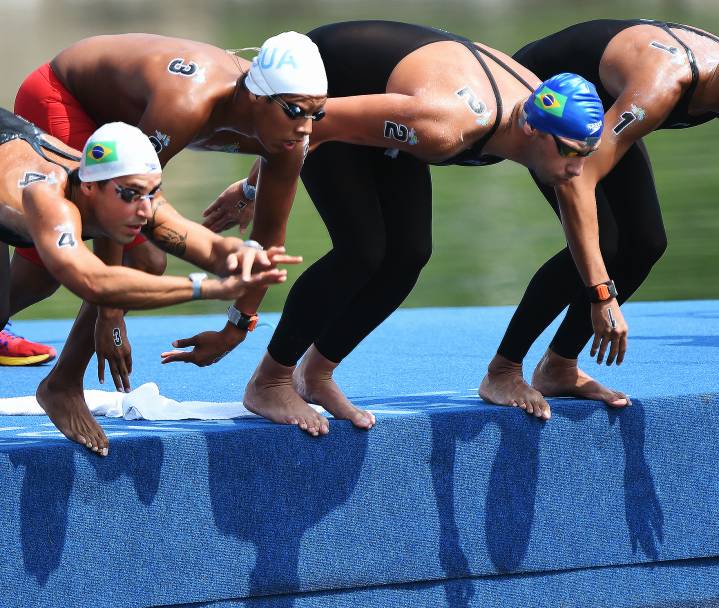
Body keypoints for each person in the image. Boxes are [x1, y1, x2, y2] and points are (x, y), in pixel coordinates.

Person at [196, 20, 605, 435]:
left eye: (588, 153)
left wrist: (601, 295)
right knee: (362, 251)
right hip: (332, 81)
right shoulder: (441, 126)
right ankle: (270, 380)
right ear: (532, 130)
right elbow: (309, 125)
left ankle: (315, 375)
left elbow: (579, 209)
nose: (578, 168)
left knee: (409, 254)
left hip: (394, 96)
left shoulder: (544, 121)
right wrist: (251, 188)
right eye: (572, 153)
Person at [476, 21, 719, 413]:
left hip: (605, 107)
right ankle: (503, 369)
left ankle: (559, 366)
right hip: (548, 94)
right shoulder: (661, 86)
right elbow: (578, 183)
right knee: (607, 243)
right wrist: (601, 293)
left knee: (646, 243)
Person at [9, 30, 326, 394]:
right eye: (295, 111)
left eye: (318, 113)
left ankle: (60, 384)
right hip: (65, 96)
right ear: (255, 96)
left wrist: (235, 329)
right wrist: (109, 315)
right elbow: (117, 194)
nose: (305, 127)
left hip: (123, 131)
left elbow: (268, 240)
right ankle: (62, 386)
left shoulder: (292, 137)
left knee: (116, 262)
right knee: (78, 267)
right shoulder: (186, 104)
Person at [0, 112, 301, 455]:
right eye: (131, 195)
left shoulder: (132, 193)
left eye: (151, 194)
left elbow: (210, 247)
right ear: (88, 187)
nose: (144, 210)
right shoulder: (49, 198)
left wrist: (242, 254)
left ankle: (61, 385)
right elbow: (93, 282)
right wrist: (206, 288)